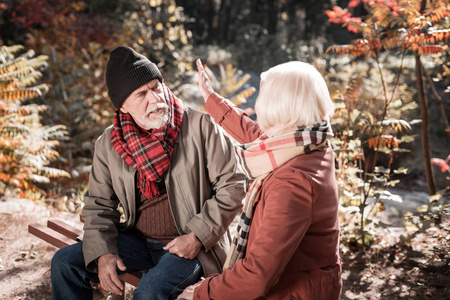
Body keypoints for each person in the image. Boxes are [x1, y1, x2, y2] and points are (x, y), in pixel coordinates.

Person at [50, 46, 246, 300]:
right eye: (141, 94)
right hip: (139, 240)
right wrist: (103, 252)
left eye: (155, 86)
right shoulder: (109, 143)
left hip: (193, 246)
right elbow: (98, 204)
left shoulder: (201, 126)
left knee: (150, 290)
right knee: (64, 263)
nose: (154, 98)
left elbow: (234, 184)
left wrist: (198, 235)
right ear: (122, 107)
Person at [177, 60, 342, 299]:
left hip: (293, 292)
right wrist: (211, 97)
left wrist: (203, 292)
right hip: (307, 283)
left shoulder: (291, 183)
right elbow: (257, 136)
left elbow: (258, 275)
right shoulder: (309, 140)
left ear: (280, 108)